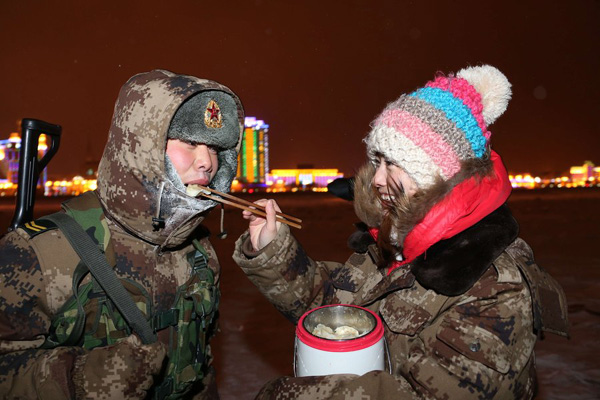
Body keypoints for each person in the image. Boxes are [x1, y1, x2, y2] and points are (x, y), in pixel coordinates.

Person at [233, 65, 569, 399]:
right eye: (377, 161)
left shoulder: (493, 287)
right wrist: (273, 249)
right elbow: (336, 312)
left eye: (392, 163)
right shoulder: (396, 243)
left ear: (439, 172)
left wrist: (296, 396)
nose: (377, 179)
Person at [0, 69, 244, 399]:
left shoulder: (198, 248)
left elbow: (201, 366)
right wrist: (82, 379)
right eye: (189, 142)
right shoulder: (39, 252)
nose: (207, 163)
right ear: (140, 145)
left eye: (215, 149)